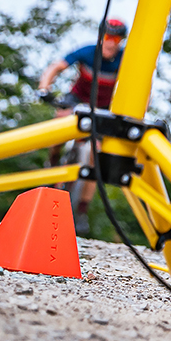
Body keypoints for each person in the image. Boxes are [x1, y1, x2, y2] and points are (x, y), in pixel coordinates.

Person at [35, 17, 128, 218]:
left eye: (117, 39)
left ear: (121, 42)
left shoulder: (124, 60)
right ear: (100, 37)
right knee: (60, 120)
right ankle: (54, 158)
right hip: (77, 98)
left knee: (96, 154)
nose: (111, 43)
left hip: (104, 107)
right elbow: (56, 67)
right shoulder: (87, 52)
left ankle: (82, 208)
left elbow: (141, 87)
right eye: (108, 37)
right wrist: (44, 88)